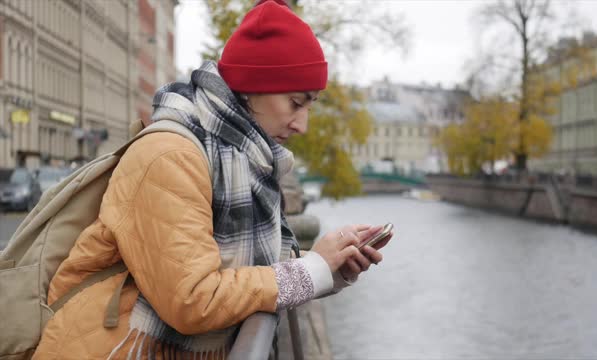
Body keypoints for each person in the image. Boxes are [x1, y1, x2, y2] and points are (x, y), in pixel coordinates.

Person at [33, 0, 392, 358]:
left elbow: (257, 275)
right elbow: (192, 299)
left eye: (309, 107)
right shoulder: (171, 155)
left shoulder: (247, 158)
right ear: (253, 86)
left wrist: (330, 267)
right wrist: (312, 268)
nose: (302, 125)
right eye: (296, 103)